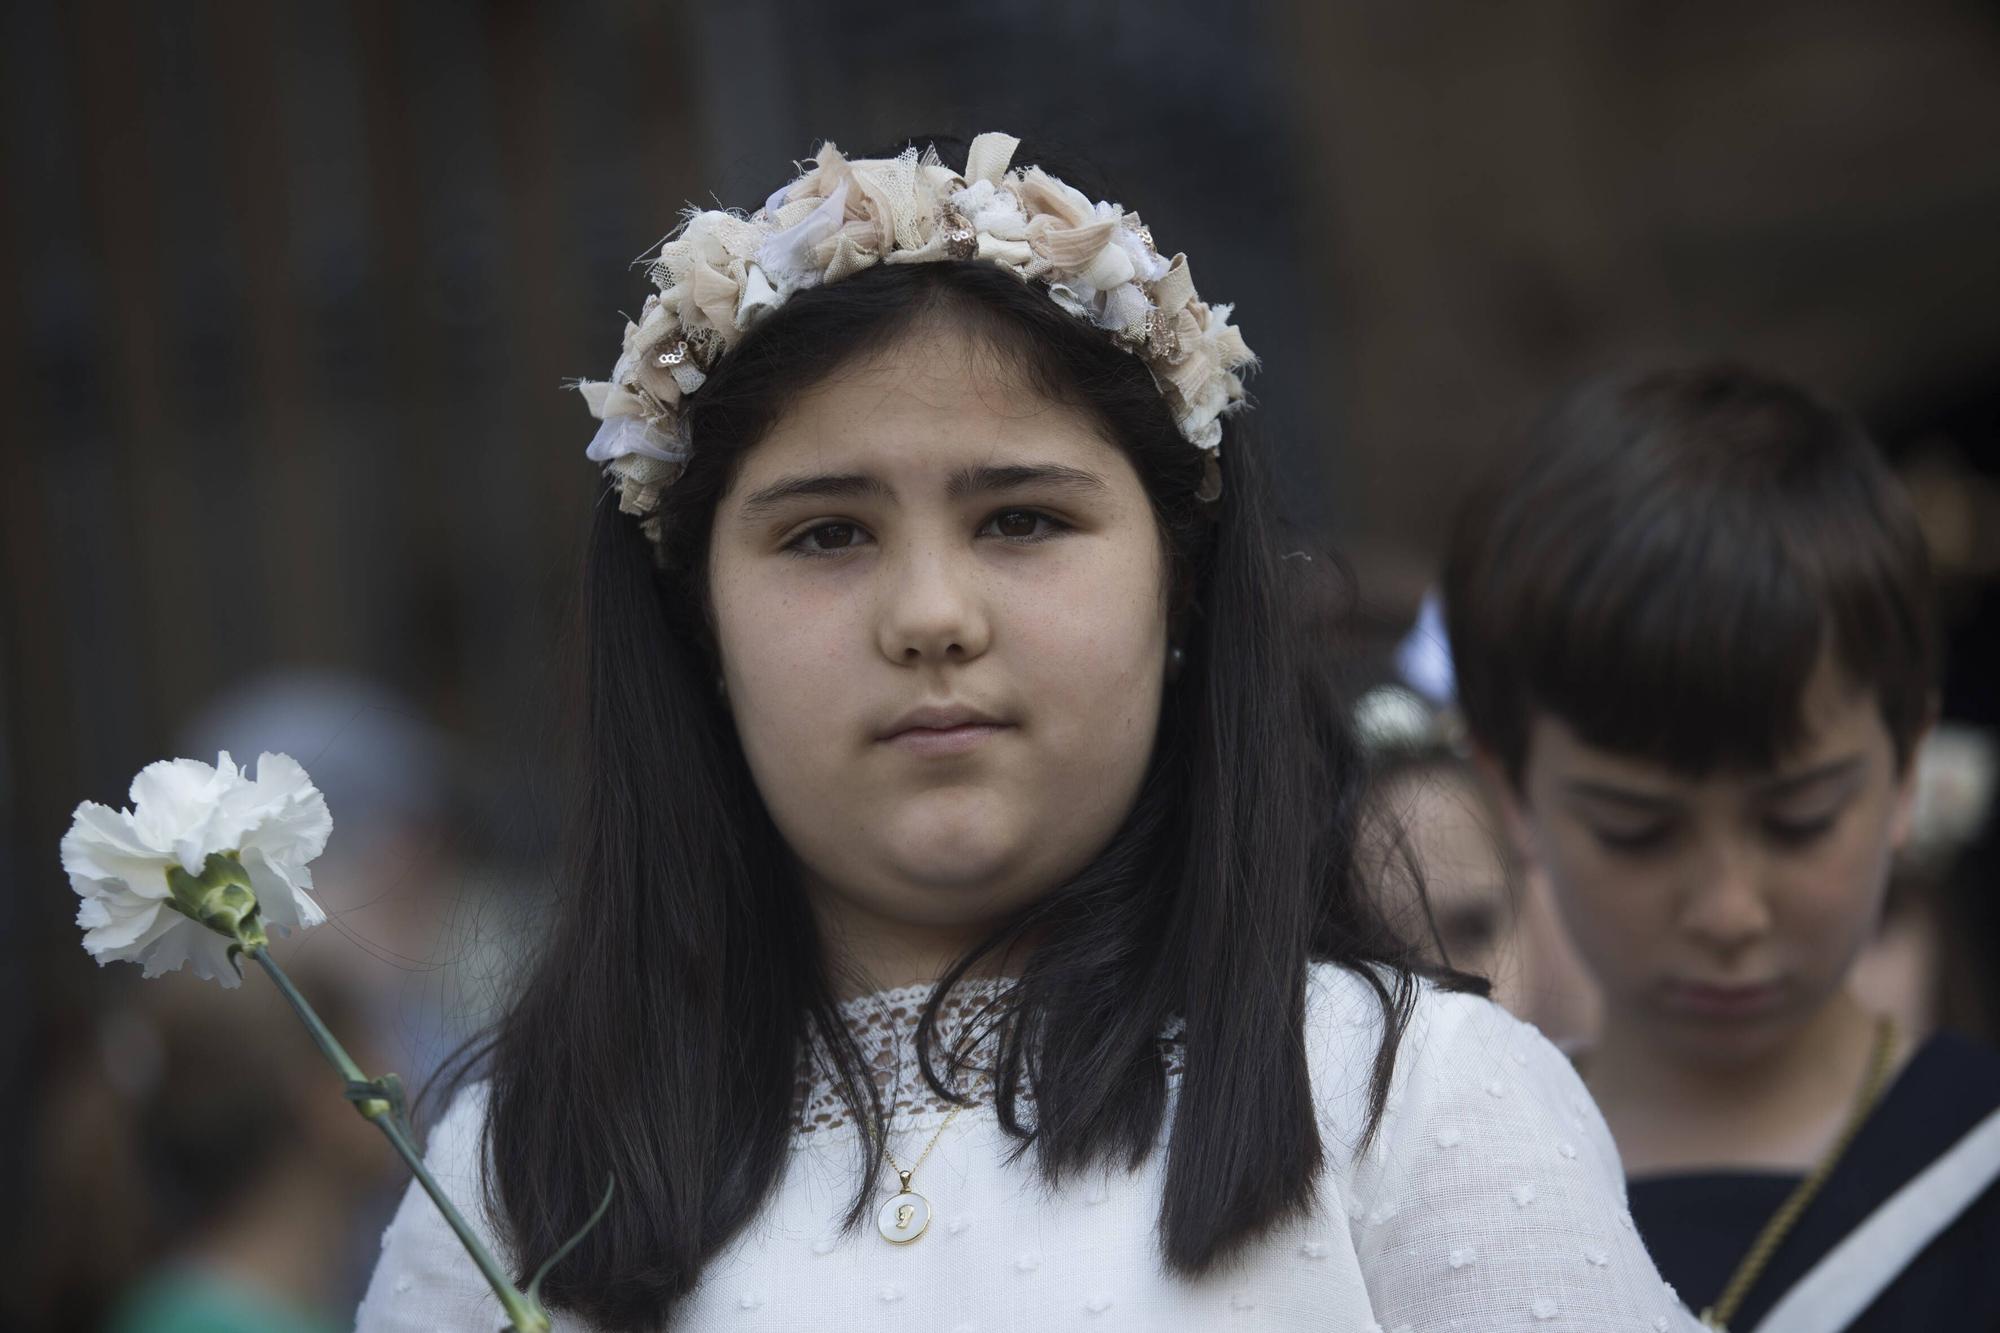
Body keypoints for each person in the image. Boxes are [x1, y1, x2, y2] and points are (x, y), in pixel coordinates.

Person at [359, 132, 1696, 1331]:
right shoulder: (512, 1185)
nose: (931, 616)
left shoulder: (1411, 1105)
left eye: (1022, 521)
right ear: (698, 622)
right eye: (827, 534)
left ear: (1178, 582)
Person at [1443, 362, 2000, 1332]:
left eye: (1798, 820)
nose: (1726, 911)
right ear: (1509, 790)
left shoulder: (1969, 1163)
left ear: (1906, 764)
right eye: (1635, 830)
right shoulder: (1445, 1176)